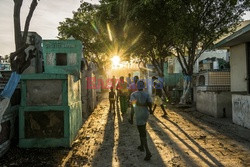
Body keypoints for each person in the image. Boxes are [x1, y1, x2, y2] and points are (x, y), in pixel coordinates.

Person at [130, 80, 153, 161]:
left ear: (137, 86)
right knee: (142, 129)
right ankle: (141, 146)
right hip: (145, 114)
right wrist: (150, 110)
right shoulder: (146, 94)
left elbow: (133, 105)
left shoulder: (133, 94)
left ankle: (148, 152)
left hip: (139, 114)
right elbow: (150, 104)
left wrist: (131, 117)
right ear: (143, 86)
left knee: (142, 132)